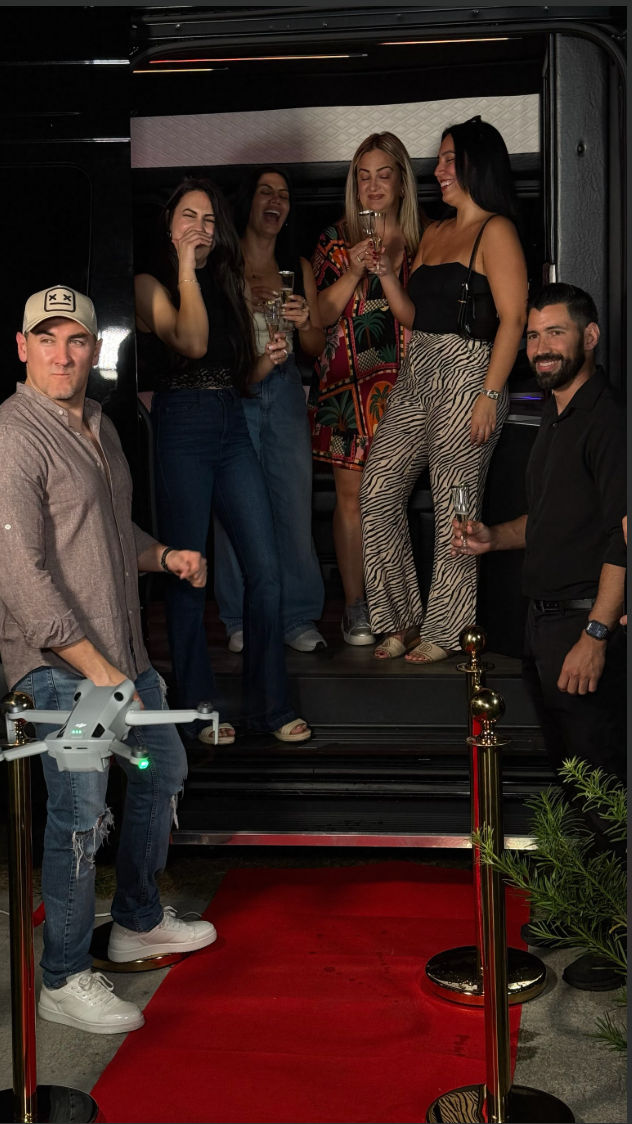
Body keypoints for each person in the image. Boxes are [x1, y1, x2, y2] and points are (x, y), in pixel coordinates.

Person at [0, 285, 217, 1034]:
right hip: (61, 668)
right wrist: (96, 670)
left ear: (96, 350)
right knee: (81, 813)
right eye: (47, 339)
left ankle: (135, 919)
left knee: (163, 772)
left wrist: (162, 555)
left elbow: (108, 531)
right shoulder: (14, 434)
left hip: (120, 655)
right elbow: (21, 573)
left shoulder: (96, 423)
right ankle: (62, 975)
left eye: (77, 341)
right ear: (21, 347)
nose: (62, 355)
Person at [451, 282, 626, 990]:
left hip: (583, 625)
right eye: (532, 335)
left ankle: (618, 934)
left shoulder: (607, 419)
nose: (541, 347)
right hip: (543, 623)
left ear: (588, 339)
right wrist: (493, 538)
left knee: (607, 784)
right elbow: (552, 522)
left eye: (556, 333)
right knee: (575, 781)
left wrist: (597, 632)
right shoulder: (554, 416)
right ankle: (590, 907)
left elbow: (624, 538)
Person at [134, 177, 310, 745]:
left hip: (230, 421)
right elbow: (189, 343)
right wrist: (185, 264)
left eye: (210, 221)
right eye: (190, 217)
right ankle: (199, 709)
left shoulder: (228, 281)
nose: (201, 229)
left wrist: (267, 359)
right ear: (169, 222)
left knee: (265, 566)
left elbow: (236, 375)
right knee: (187, 569)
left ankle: (271, 706)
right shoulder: (149, 283)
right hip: (182, 424)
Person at [359, 116, 527, 661]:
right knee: (378, 492)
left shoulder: (495, 229)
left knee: (457, 503)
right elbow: (411, 315)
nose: (440, 170)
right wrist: (385, 273)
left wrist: (490, 393)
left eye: (451, 159)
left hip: (468, 370)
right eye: (441, 159)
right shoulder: (433, 231)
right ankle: (398, 618)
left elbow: (514, 319)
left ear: (478, 163)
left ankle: (445, 629)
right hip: (419, 368)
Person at [309, 132, 422, 645]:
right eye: (364, 176)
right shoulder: (334, 240)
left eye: (383, 175)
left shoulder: (426, 242)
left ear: (401, 182)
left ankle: (401, 607)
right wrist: (356, 265)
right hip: (346, 388)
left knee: (397, 498)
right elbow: (322, 315)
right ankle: (356, 607)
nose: (373, 186)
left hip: (408, 388)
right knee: (350, 498)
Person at [213, 165, 326, 655]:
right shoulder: (222, 265)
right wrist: (241, 300)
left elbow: (316, 344)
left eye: (283, 194)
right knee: (235, 508)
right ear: (249, 202)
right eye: (266, 191)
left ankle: (298, 616)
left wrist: (304, 320)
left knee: (292, 504)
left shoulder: (297, 268)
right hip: (236, 388)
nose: (275, 200)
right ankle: (240, 618)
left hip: (282, 389)